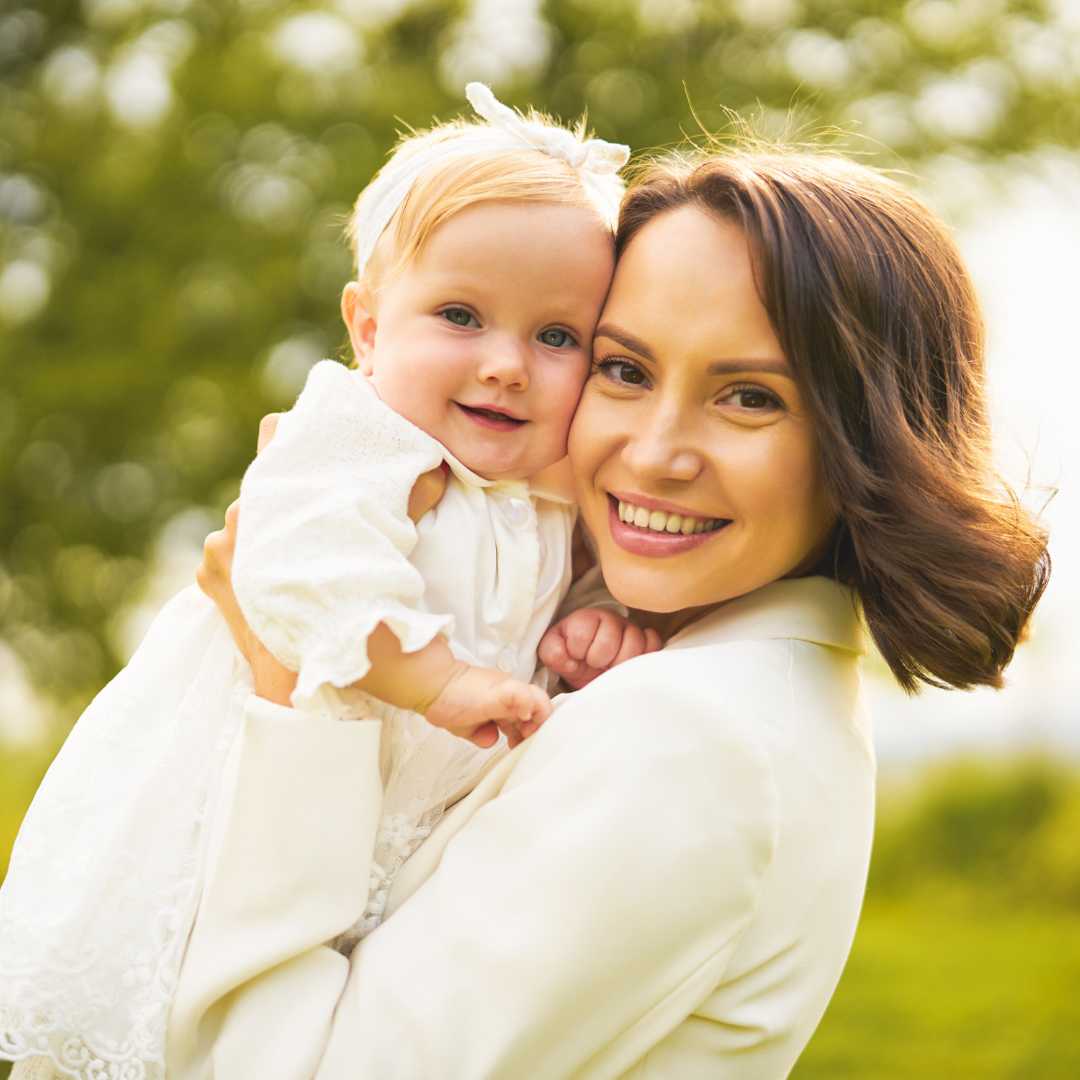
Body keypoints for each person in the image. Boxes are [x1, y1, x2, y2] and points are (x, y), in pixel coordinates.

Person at [0, 85, 659, 1080]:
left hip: (372, 858)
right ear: (367, 327)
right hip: (225, 825)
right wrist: (440, 681)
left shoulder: (548, 498)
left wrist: (598, 618)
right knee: (157, 1027)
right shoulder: (355, 440)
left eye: (558, 337)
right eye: (460, 315)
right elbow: (302, 567)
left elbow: (560, 597)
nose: (506, 365)